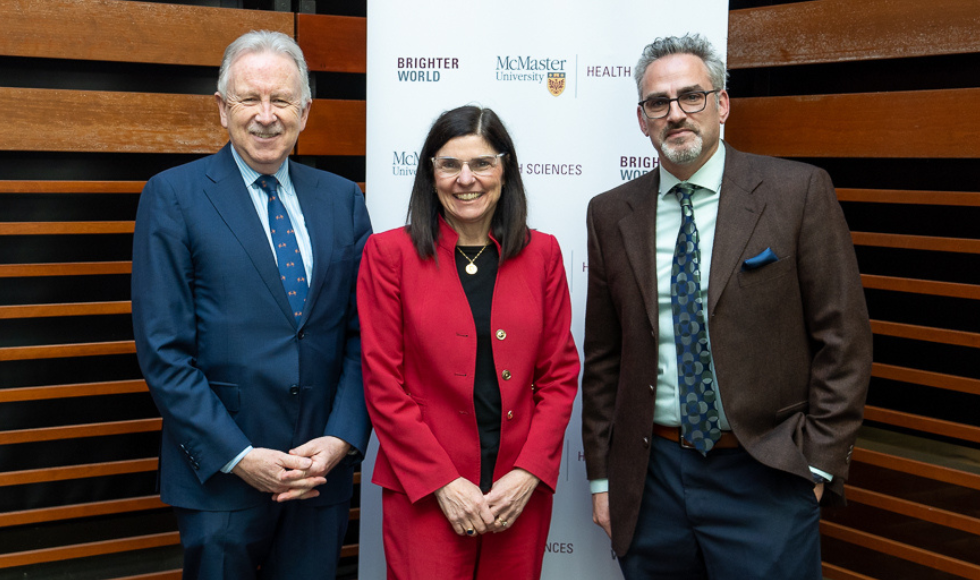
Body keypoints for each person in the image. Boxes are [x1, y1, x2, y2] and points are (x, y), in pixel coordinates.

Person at [581, 34, 872, 580]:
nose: (676, 114)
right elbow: (604, 357)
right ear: (642, 120)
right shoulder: (610, 213)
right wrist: (603, 480)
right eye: (658, 103)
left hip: (765, 472)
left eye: (692, 96)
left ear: (723, 104)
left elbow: (845, 340)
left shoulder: (798, 192)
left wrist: (815, 463)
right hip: (652, 476)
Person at [131, 30, 371, 580]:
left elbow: (365, 335)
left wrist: (340, 438)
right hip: (220, 478)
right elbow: (163, 350)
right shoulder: (172, 196)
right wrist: (241, 456)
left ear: (305, 111)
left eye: (282, 100)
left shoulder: (343, 199)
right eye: (250, 99)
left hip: (319, 473)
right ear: (222, 108)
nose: (267, 116)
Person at [357, 105, 580, 579]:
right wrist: (442, 483)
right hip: (424, 489)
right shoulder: (387, 254)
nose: (466, 179)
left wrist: (528, 473)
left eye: (481, 163)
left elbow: (559, 376)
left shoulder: (543, 254)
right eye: (450, 164)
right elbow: (382, 383)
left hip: (515, 493)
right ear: (430, 174)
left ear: (505, 170)